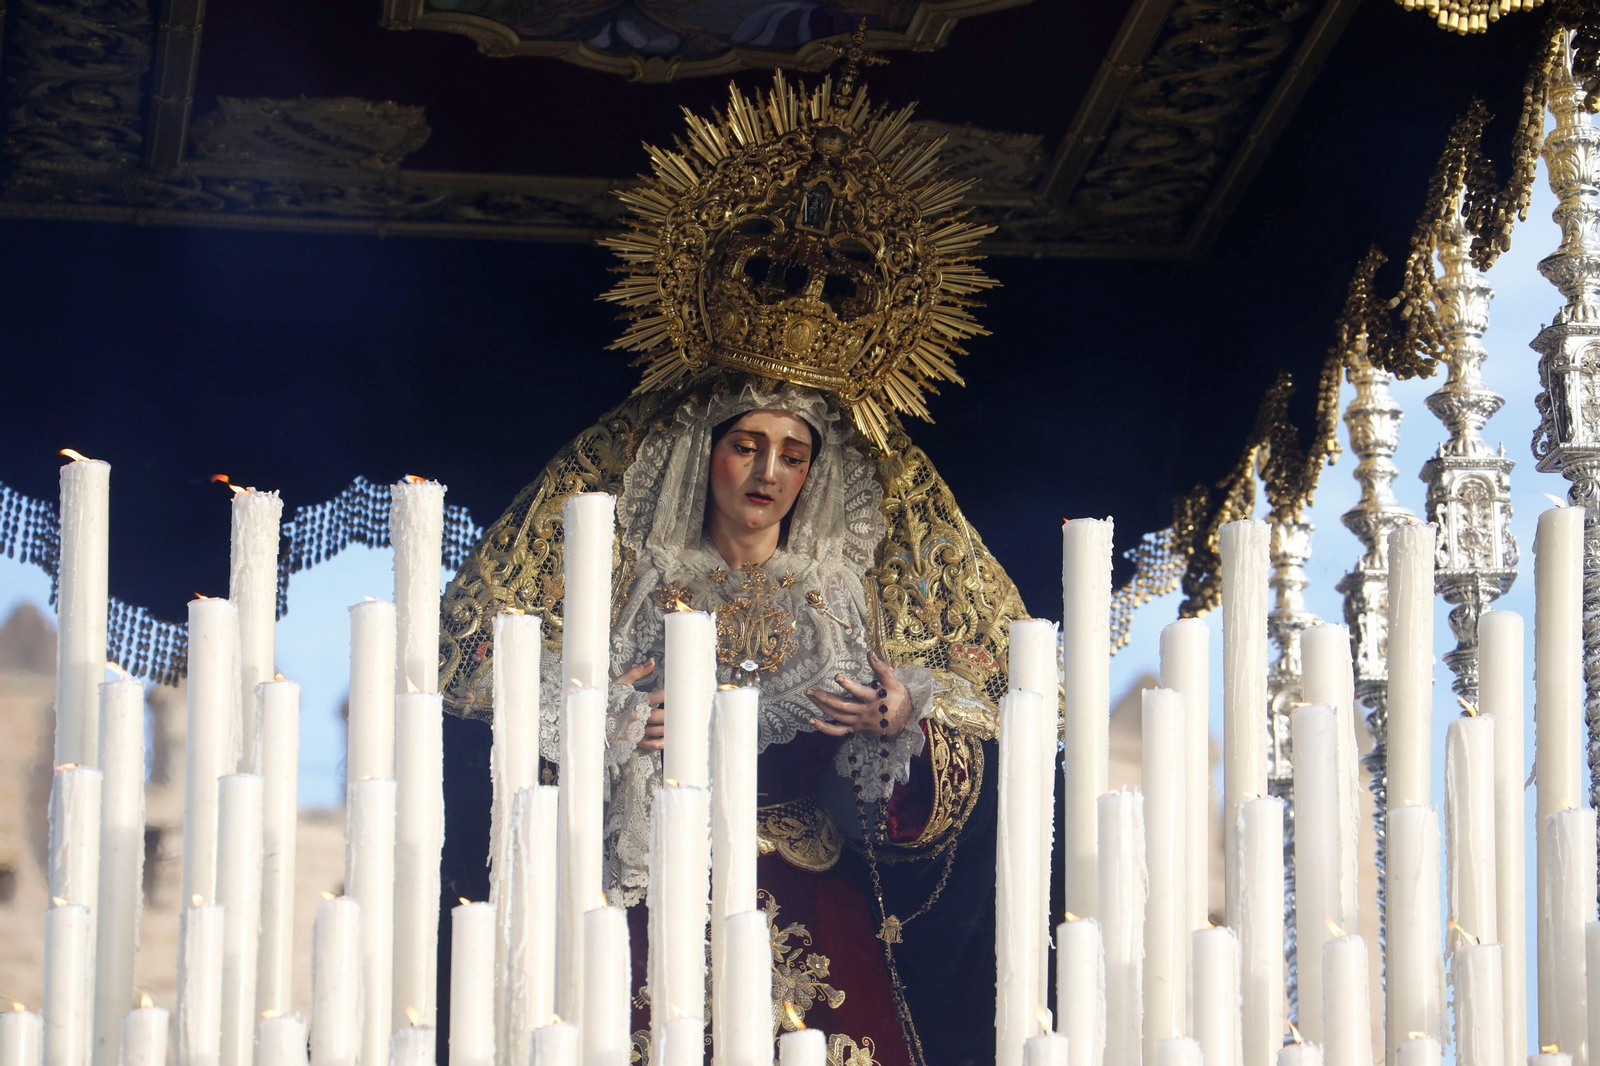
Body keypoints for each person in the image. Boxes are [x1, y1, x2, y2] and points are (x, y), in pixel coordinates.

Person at [438, 43, 1031, 1066]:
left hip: (814, 907)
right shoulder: (625, 580)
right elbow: (488, 695)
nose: (766, 471)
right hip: (638, 903)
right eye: (747, 445)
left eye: (792, 454)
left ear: (814, 476)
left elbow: (949, 747)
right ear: (703, 454)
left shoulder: (845, 597)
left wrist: (904, 718)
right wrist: (606, 716)